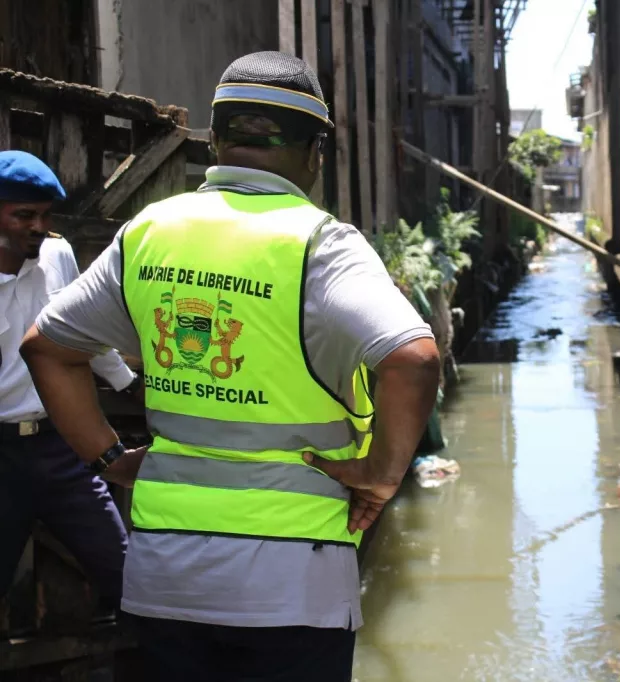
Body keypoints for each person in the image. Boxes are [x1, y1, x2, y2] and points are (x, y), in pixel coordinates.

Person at [20, 52, 440, 681]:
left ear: (216, 139)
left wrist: (108, 457)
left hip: (166, 576)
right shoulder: (320, 245)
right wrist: (382, 471)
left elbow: (47, 348)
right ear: (314, 152)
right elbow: (413, 356)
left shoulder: (150, 232)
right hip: (296, 584)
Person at [0, 150, 138, 614]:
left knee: (126, 576)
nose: (38, 226)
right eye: (24, 215)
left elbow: (82, 335)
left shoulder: (57, 254)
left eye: (44, 215)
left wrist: (126, 382)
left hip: (60, 450)